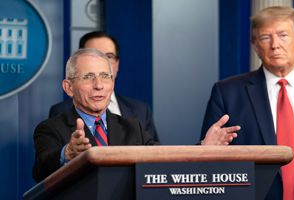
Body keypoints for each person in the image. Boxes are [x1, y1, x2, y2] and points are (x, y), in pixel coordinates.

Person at [200, 6, 294, 199]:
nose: (275, 45)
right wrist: (204, 149)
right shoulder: (227, 94)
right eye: (265, 37)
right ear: (255, 46)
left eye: (283, 35)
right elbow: (206, 164)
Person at [33, 49, 240, 182]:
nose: (99, 85)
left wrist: (203, 148)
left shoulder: (133, 128)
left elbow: (166, 162)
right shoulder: (51, 128)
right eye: (89, 77)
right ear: (69, 87)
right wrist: (68, 152)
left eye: (105, 76)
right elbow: (41, 171)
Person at [48, 31, 159, 142]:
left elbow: (154, 155)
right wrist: (68, 153)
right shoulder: (60, 113)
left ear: (117, 63)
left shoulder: (141, 111)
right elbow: (51, 156)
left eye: (109, 56)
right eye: (94, 55)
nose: (101, 62)